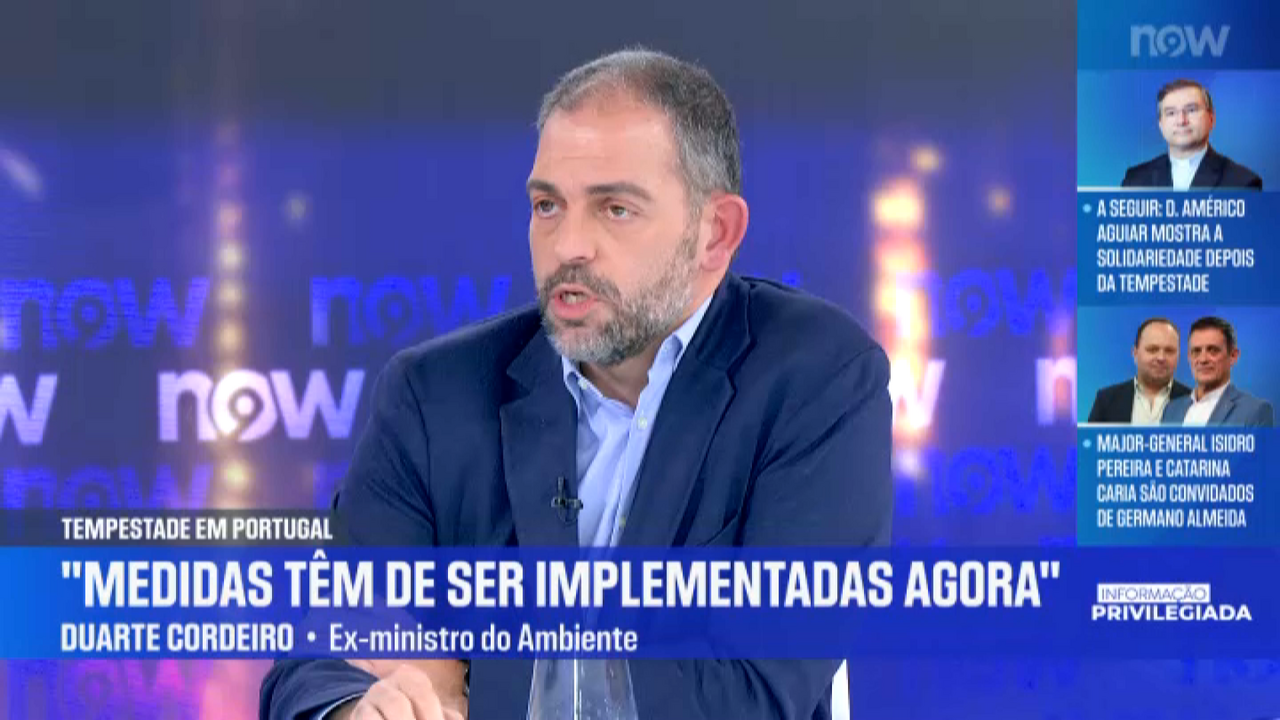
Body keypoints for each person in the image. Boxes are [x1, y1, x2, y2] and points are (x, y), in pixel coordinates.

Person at [260, 47, 893, 720]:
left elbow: (754, 692)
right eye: (547, 205)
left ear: (715, 233)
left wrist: (476, 680)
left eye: (614, 209)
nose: (567, 246)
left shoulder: (815, 380)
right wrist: (360, 710)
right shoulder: (433, 397)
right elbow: (317, 657)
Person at [1121, 79, 1261, 190]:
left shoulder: (1242, 183)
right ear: (1161, 124)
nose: (1181, 121)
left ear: (1211, 119)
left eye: (1191, 110)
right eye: (1171, 113)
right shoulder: (1134, 180)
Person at [1163, 316, 1273, 427]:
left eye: (1213, 350)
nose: (1203, 359)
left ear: (1233, 356)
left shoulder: (1255, 411)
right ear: (1189, 357)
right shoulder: (1171, 409)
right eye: (1196, 351)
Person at [1086, 317, 1190, 424]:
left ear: (1178, 356)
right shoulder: (1106, 400)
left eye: (1169, 351)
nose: (1161, 358)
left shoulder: (1193, 401)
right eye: (1152, 350)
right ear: (1135, 354)